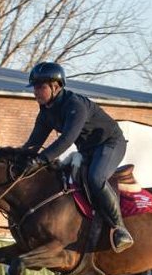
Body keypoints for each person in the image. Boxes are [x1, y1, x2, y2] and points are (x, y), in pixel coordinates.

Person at [20, 61, 134, 253]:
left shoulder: (75, 105)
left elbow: (66, 140)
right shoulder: (45, 112)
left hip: (110, 144)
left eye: (40, 87)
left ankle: (120, 228)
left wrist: (41, 160)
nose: (35, 92)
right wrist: (15, 159)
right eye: (35, 88)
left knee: (95, 178)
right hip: (88, 150)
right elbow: (33, 144)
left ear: (55, 86)